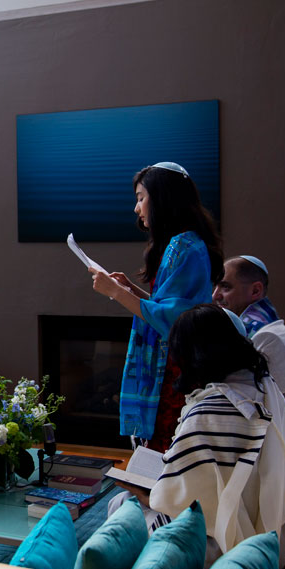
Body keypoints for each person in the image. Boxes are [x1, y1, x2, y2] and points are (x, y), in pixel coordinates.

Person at [126, 304, 285, 569]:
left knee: (123, 507)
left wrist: (146, 496)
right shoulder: (265, 387)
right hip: (276, 539)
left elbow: (179, 506)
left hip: (232, 546)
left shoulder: (210, 412)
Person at [90, 162, 223, 452]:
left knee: (165, 445)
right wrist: (130, 290)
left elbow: (172, 318)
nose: (137, 208)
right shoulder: (188, 242)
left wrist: (115, 292)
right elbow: (167, 306)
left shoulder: (182, 246)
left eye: (140, 198)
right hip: (184, 359)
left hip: (175, 366)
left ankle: (158, 497)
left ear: (163, 198)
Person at [213, 255, 285, 424]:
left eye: (225, 287)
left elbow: (252, 411)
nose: (215, 295)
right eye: (215, 286)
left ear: (255, 291)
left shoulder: (269, 338)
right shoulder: (267, 330)